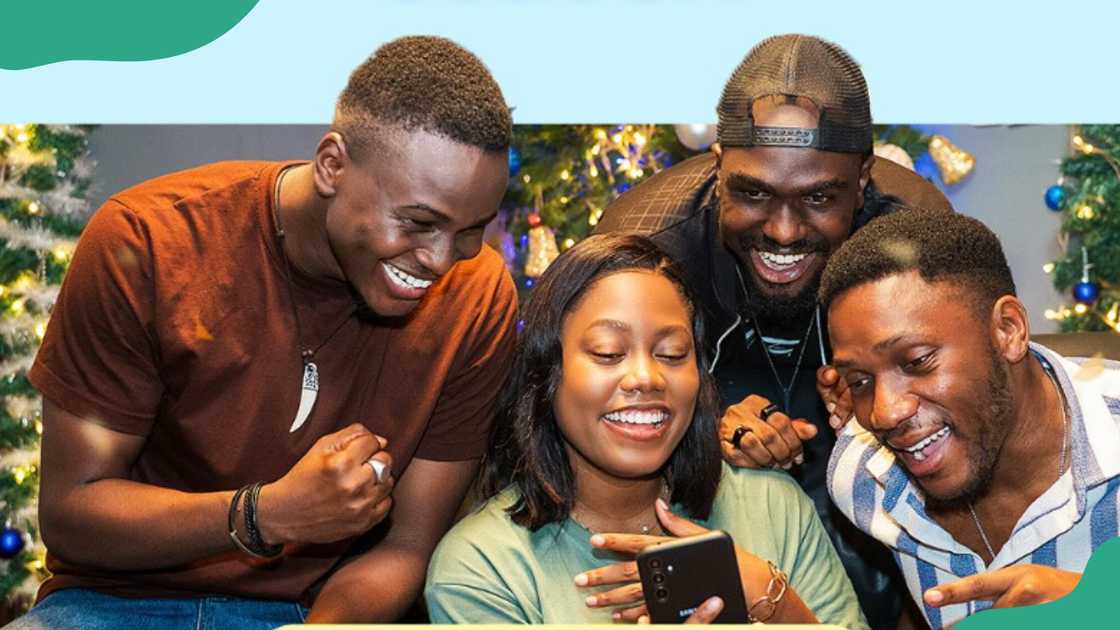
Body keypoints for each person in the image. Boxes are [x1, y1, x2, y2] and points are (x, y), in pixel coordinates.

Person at [16, 36, 517, 628]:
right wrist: (264, 515)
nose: (441, 259)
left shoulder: (478, 295)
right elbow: (73, 514)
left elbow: (407, 546)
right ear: (332, 165)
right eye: (419, 222)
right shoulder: (148, 242)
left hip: (320, 609)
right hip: (113, 603)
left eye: (470, 229)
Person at [593, 33, 952, 628]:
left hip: (869, 499)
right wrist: (706, 427)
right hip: (706, 490)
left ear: (862, 180)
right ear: (718, 167)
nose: (783, 232)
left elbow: (974, 431)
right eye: (754, 192)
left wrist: (881, 423)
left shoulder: (914, 255)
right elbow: (591, 409)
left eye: (818, 198)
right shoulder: (649, 251)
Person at [424, 233, 867, 628]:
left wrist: (770, 598)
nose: (646, 379)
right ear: (547, 371)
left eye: (673, 354)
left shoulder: (773, 506)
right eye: (608, 353)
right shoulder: (483, 567)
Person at [820, 210, 1111, 629]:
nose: (885, 413)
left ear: (1008, 330)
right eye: (860, 381)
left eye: (917, 361)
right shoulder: (863, 480)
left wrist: (1101, 606)